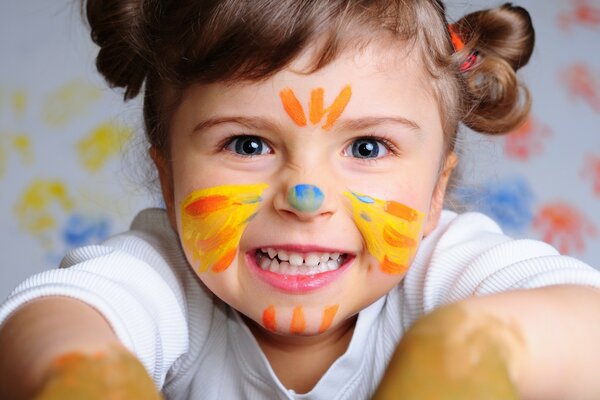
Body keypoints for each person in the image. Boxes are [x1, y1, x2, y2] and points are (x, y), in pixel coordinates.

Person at [1, 1, 600, 399]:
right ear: (170, 178)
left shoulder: (442, 271)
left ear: (437, 187)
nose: (306, 197)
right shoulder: (166, 277)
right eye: (248, 142)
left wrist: (470, 346)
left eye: (367, 147)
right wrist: (79, 370)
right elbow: (62, 313)